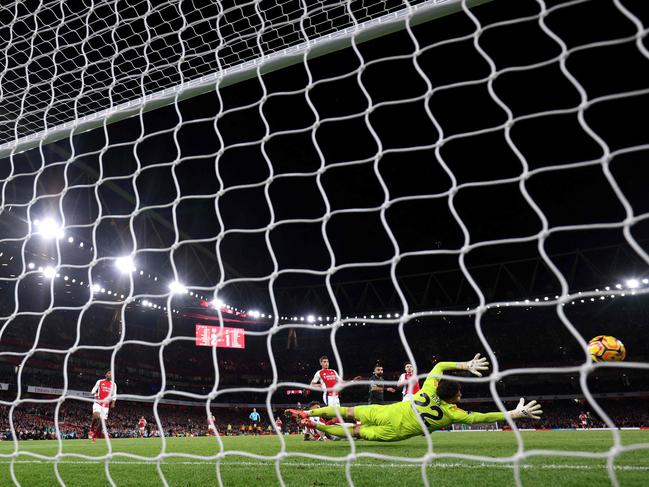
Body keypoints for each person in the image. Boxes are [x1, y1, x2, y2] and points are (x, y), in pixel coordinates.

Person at [285, 354, 542, 442]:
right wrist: (515, 414)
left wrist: (464, 365)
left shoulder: (429, 388)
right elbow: (484, 417)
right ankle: (313, 425)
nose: (461, 395)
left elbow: (440, 365)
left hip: (388, 411)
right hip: (394, 431)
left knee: (349, 413)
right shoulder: (452, 413)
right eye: (460, 392)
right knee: (354, 433)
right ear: (452, 398)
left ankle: (309, 415)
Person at [89, 371, 117, 443]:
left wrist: (113, 403)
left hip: (106, 406)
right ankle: (91, 429)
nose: (110, 374)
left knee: (102, 422)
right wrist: (96, 395)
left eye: (111, 374)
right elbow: (93, 391)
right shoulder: (100, 381)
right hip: (98, 403)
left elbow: (114, 395)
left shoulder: (114, 384)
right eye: (108, 373)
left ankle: (94, 436)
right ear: (105, 375)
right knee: (96, 416)